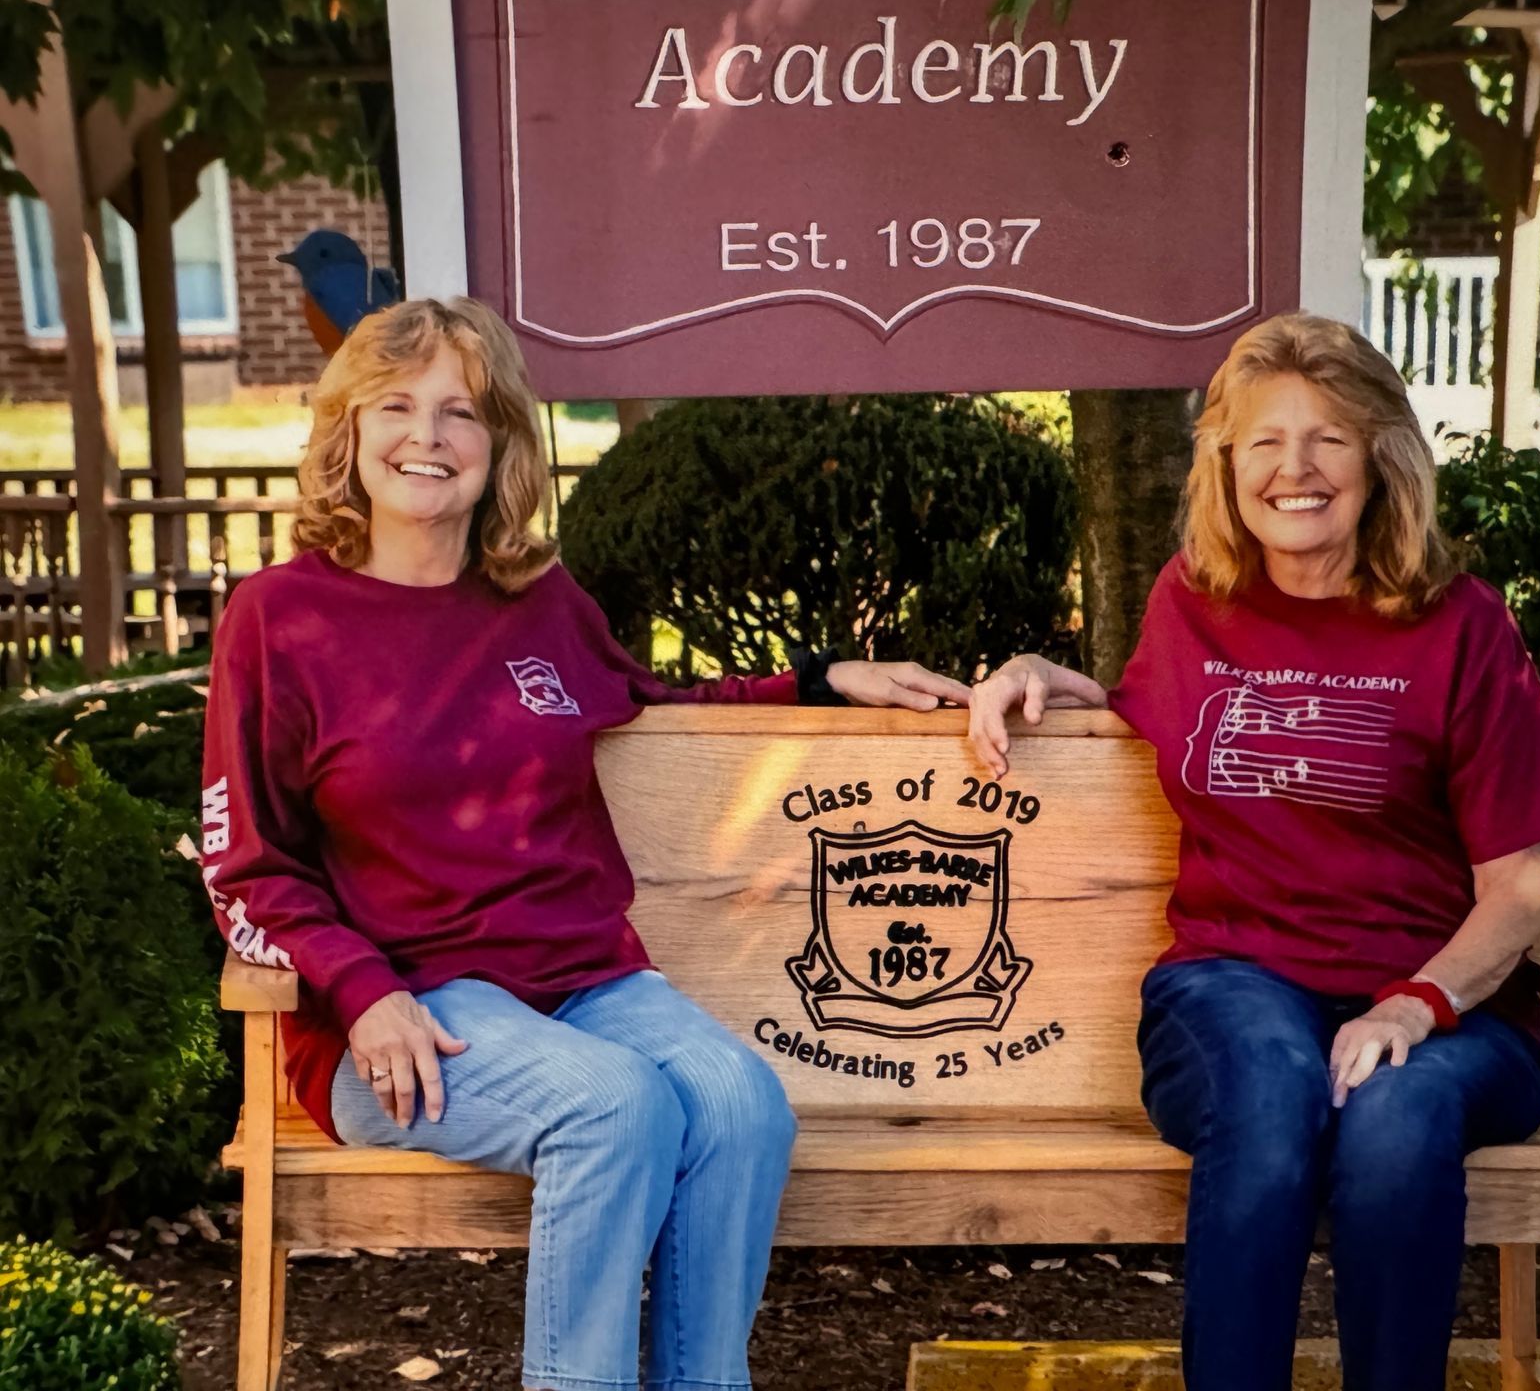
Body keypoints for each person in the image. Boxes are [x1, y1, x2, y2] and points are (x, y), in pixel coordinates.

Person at [201, 296, 970, 1391]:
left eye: (462, 412)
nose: (429, 437)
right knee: (615, 1106)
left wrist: (816, 678)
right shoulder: (280, 620)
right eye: (398, 408)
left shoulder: (537, 597)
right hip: (407, 1009)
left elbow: (645, 700)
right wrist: (362, 990)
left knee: (744, 1107)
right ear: (348, 436)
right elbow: (247, 866)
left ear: (501, 444)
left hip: (582, 981)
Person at [966, 312, 1540, 1391]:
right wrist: (1034, 668)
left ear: (1380, 458)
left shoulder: (1463, 627)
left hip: (1449, 1009)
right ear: (1226, 464)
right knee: (1271, 1084)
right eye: (1263, 441)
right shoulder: (1192, 601)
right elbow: (1134, 711)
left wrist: (1411, 1006)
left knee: (1395, 1115)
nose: (1293, 469)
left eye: (1328, 439)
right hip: (1232, 985)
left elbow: (1519, 888)